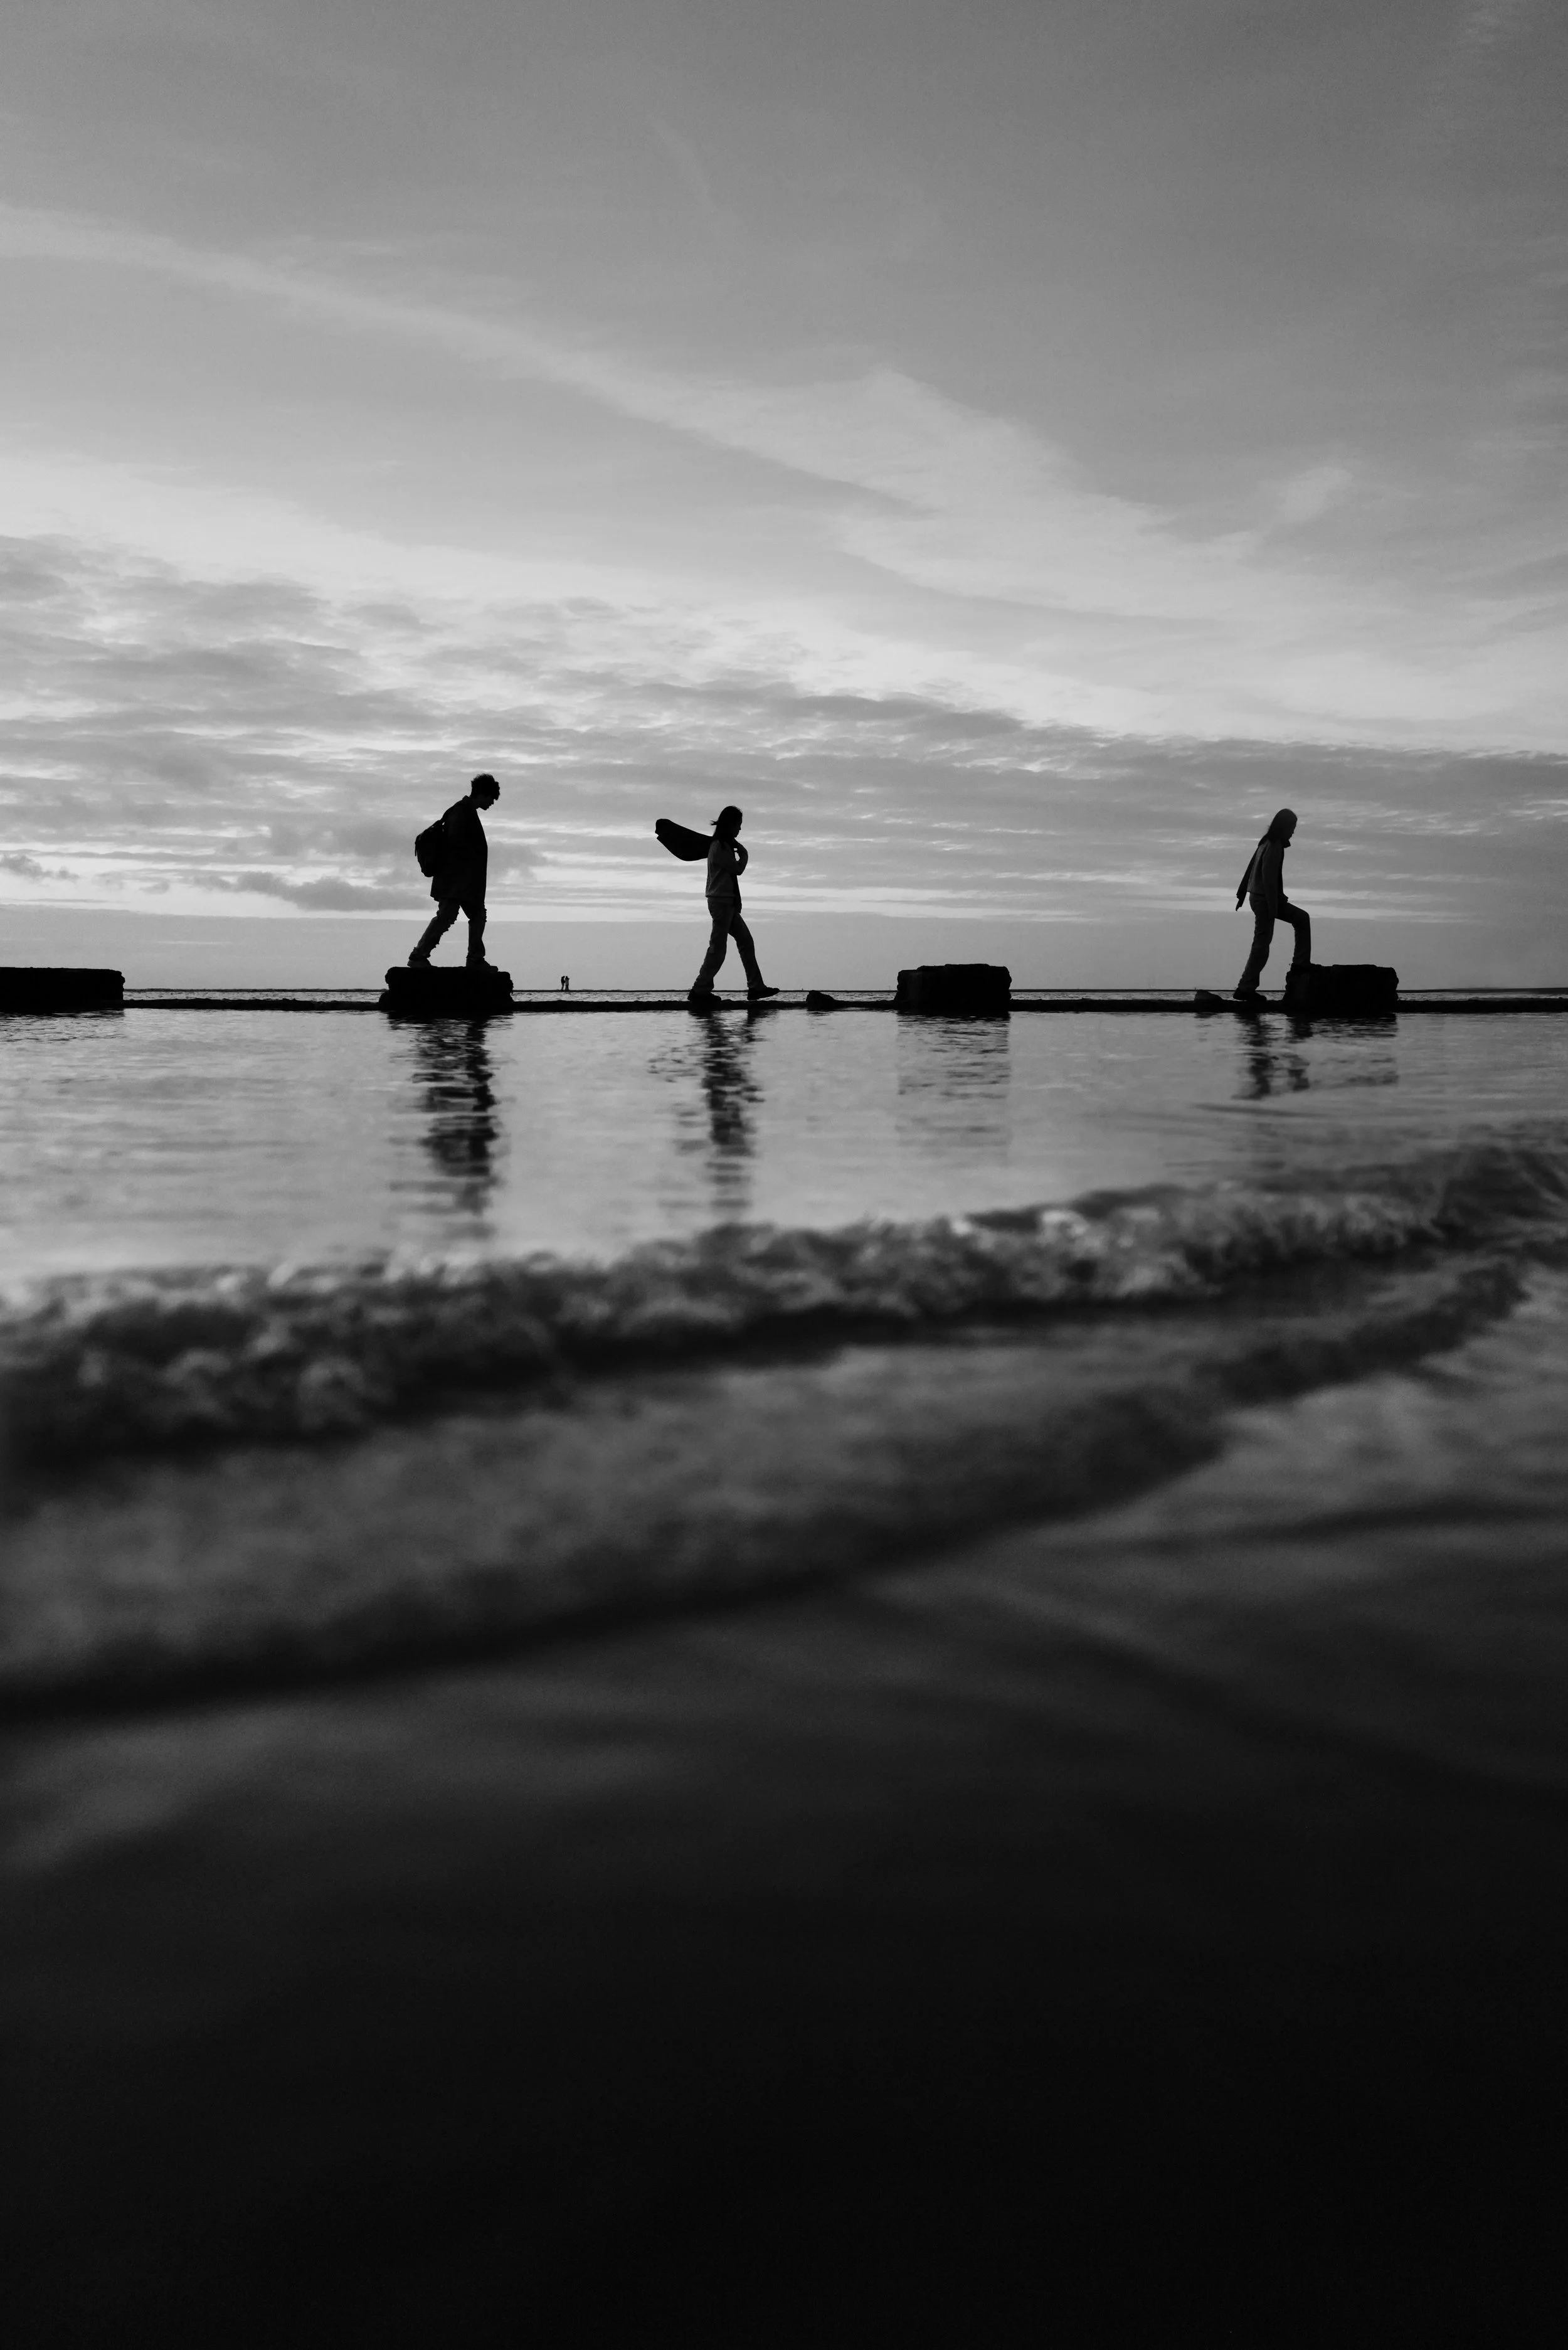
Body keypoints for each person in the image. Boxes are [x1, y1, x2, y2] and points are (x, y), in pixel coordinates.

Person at [409, 773, 501, 970]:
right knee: (447, 917)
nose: (492, 802)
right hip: (455, 881)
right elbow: (457, 844)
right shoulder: (462, 812)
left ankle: (474, 959)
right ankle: (419, 956)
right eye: (491, 798)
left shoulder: (465, 811)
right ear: (482, 794)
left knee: (475, 915)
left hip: (463, 881)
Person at [689, 805, 778, 1004]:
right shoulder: (719, 847)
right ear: (730, 825)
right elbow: (737, 869)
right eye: (738, 825)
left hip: (726, 903)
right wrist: (745, 854)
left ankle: (756, 987)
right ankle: (699, 990)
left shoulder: (724, 845)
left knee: (746, 942)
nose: (740, 829)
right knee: (718, 949)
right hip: (720, 903)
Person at [1234, 807, 1310, 1000]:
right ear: (1284, 826)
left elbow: (1254, 870)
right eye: (1292, 827)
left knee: (1296, 922)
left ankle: (1247, 986)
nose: (1293, 831)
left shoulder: (1266, 842)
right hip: (1264, 900)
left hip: (1262, 898)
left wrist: (1242, 895)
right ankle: (1246, 987)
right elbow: (1267, 877)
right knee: (1262, 944)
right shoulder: (1273, 845)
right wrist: (1273, 907)